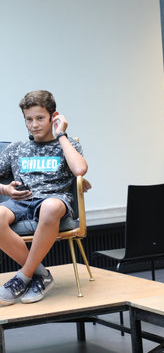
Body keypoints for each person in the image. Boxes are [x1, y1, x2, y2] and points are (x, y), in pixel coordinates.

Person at [0, 90, 88, 305]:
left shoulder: (66, 145)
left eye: (40, 118)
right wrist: (4, 190)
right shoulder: (16, 149)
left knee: (49, 207)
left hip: (54, 200)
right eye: (29, 119)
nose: (34, 125)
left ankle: (22, 277)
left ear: (53, 117)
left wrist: (62, 134)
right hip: (20, 201)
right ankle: (41, 275)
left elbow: (79, 169)